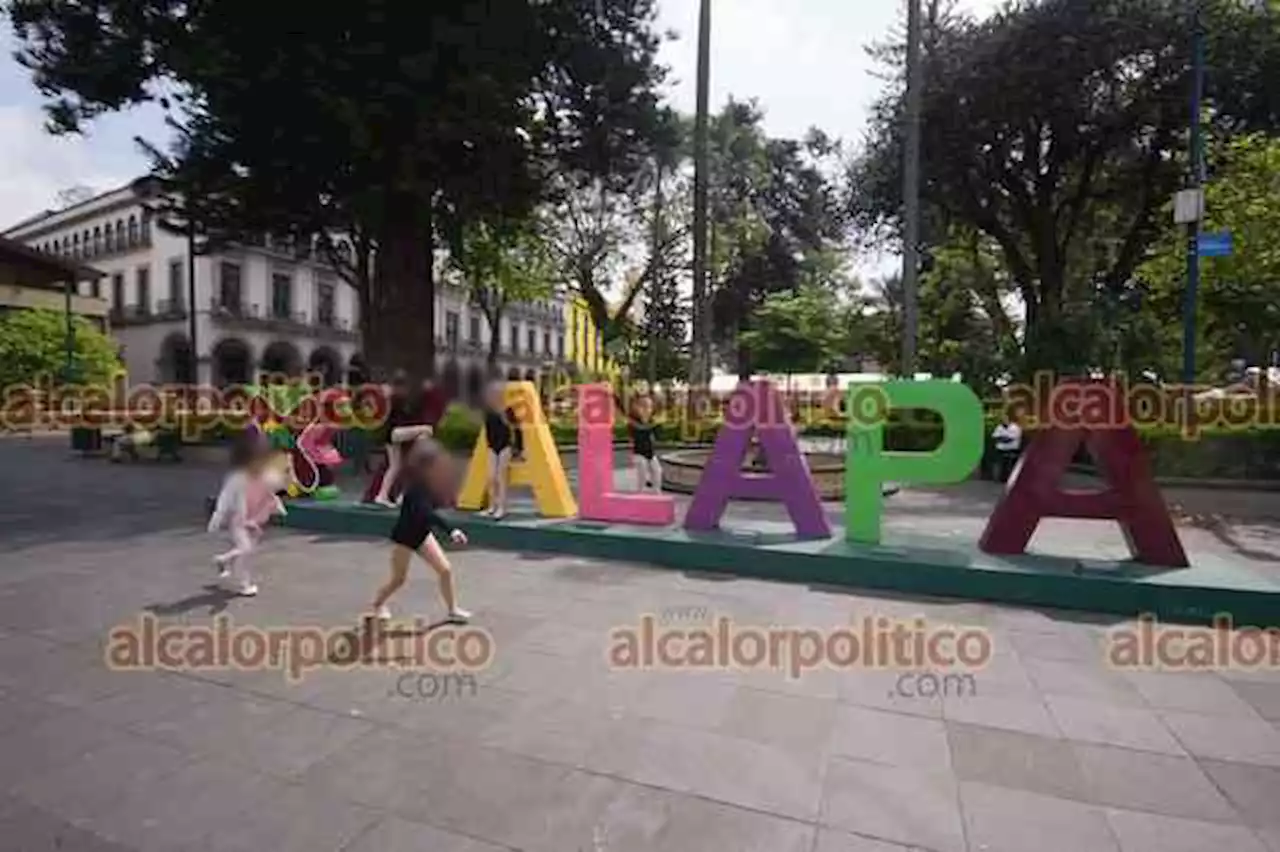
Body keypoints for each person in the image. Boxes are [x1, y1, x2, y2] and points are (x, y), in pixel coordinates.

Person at [370, 437, 471, 623]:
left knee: (445, 570)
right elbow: (426, 513)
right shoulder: (416, 487)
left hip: (422, 534)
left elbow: (432, 509)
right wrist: (451, 530)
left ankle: (453, 610)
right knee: (398, 579)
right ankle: (378, 604)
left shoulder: (431, 484)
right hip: (405, 538)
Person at [207, 430, 287, 596]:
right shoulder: (237, 478)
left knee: (247, 549)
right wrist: (217, 517)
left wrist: (286, 474)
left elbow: (278, 486)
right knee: (245, 550)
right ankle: (244, 584)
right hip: (239, 520)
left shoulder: (266, 474)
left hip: (256, 519)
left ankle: (223, 560)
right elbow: (225, 498)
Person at [371, 371, 434, 508]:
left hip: (390, 434)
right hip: (395, 432)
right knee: (426, 430)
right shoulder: (395, 397)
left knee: (395, 466)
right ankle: (399, 496)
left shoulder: (390, 398)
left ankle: (382, 495)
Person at [480, 379, 523, 520]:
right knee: (491, 477)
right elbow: (488, 429)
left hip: (505, 446)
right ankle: (492, 506)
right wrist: (489, 445)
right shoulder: (488, 411)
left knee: (500, 477)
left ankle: (501, 508)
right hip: (493, 446)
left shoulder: (507, 410)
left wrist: (519, 449)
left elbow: (517, 430)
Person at [627, 394, 661, 491]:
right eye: (644, 406)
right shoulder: (633, 422)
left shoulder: (652, 421)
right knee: (642, 468)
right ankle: (640, 492)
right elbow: (637, 433)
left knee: (657, 471)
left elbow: (657, 436)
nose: (647, 409)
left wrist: (656, 427)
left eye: (649, 407)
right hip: (639, 453)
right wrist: (648, 424)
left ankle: (657, 492)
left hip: (650, 453)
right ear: (638, 408)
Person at [991, 414, 1023, 483]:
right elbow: (995, 436)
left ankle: (1009, 478)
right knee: (999, 463)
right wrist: (1003, 438)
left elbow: (1011, 439)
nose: (1004, 421)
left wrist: (1002, 438)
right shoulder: (999, 427)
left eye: (1005, 419)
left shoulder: (1015, 427)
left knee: (1009, 464)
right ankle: (999, 478)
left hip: (1011, 449)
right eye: (1002, 419)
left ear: (1009, 419)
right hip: (1001, 449)